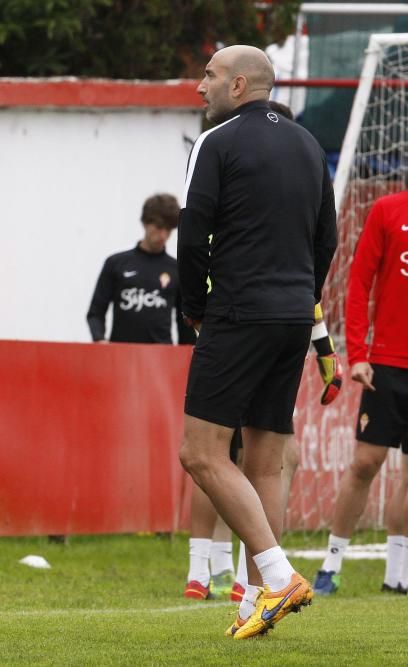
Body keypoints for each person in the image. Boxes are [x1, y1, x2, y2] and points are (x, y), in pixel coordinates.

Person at [177, 45, 337, 639]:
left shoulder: (213, 144)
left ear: (240, 85)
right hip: (294, 316)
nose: (201, 86)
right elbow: (328, 238)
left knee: (201, 453)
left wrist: (195, 307)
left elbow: (194, 235)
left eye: (211, 76)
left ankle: (276, 576)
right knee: (266, 463)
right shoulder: (307, 145)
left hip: (238, 312)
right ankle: (251, 603)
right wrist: (301, 297)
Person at [313, 191, 408, 597]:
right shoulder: (388, 210)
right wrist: (357, 352)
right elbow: (360, 281)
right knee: (366, 463)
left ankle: (397, 574)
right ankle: (331, 563)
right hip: (385, 362)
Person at [86, 193, 196, 345]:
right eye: (158, 227)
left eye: (168, 230)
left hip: (161, 359)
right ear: (145, 223)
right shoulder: (115, 263)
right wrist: (99, 340)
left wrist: (186, 357)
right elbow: (95, 313)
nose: (163, 235)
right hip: (120, 355)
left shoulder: (177, 269)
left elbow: (184, 322)